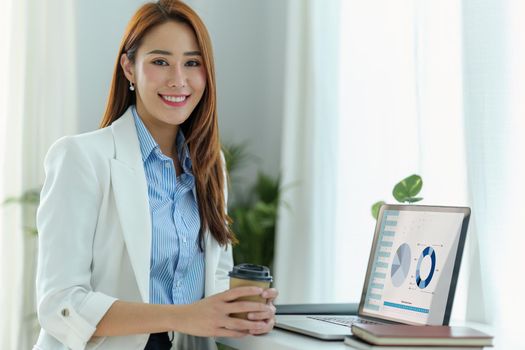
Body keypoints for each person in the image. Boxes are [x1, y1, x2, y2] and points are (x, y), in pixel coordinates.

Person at [33, 1, 278, 349]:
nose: (178, 79)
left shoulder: (211, 164)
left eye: (192, 63)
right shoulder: (81, 158)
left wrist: (245, 306)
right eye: (160, 61)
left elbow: (214, 280)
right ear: (129, 68)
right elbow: (61, 305)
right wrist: (180, 316)